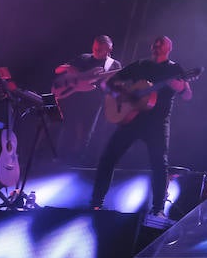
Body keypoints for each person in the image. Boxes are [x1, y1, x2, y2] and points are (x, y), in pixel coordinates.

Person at [90, 36, 192, 219]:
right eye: (155, 43)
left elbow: (187, 95)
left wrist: (182, 88)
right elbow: (109, 84)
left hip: (157, 123)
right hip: (132, 119)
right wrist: (122, 96)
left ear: (169, 48)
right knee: (108, 158)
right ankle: (95, 204)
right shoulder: (140, 65)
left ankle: (158, 209)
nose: (157, 46)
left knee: (159, 164)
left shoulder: (174, 69)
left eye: (161, 44)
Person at [52, 35, 122, 164]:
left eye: (100, 49)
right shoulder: (84, 58)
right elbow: (58, 70)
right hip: (74, 98)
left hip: (95, 102)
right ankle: (60, 157)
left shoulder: (114, 65)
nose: (96, 51)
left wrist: (109, 85)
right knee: (68, 127)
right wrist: (69, 68)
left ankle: (78, 160)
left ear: (109, 49)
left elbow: (116, 87)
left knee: (86, 132)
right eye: (95, 48)